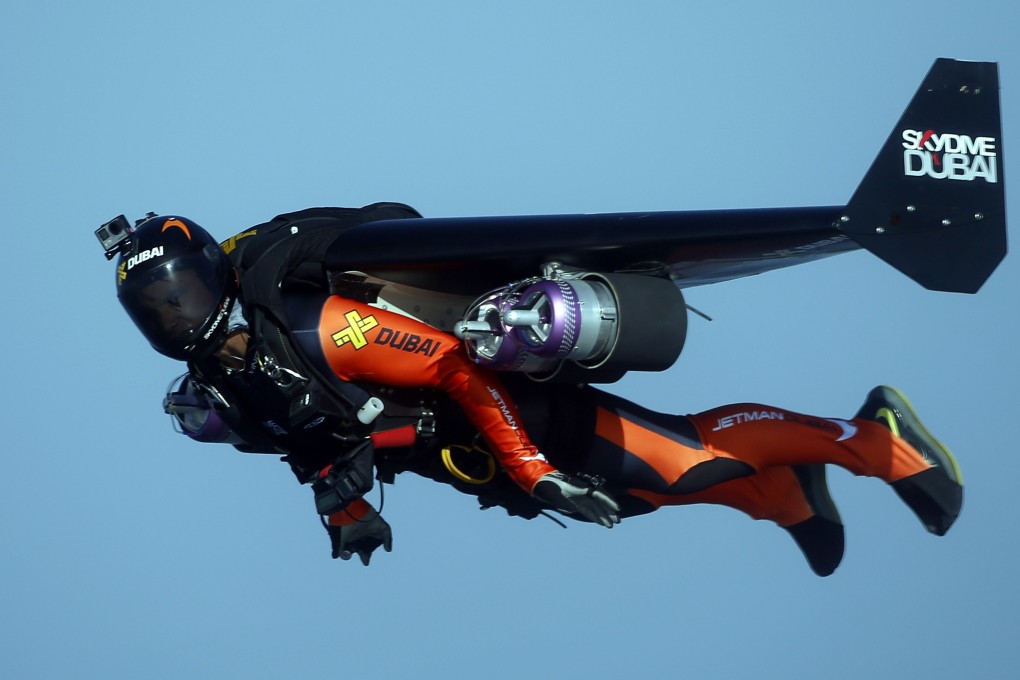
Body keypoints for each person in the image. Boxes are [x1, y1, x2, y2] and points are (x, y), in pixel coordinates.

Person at [114, 208, 963, 576]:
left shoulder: (320, 330)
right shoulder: (233, 381)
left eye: (178, 293)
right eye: (154, 309)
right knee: (643, 497)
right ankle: (781, 495)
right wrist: (349, 515)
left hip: (520, 424)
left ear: (215, 274)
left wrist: (531, 469)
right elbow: (317, 447)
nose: (174, 316)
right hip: (480, 461)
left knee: (682, 459)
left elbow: (453, 367)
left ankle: (873, 437)